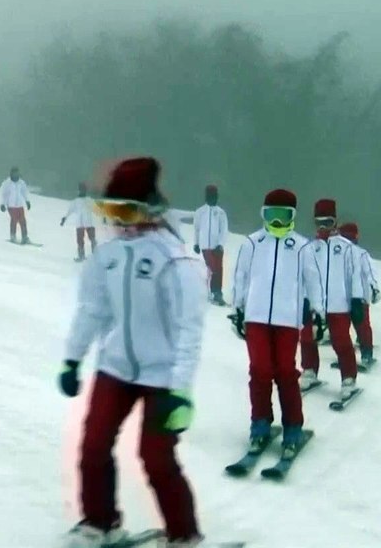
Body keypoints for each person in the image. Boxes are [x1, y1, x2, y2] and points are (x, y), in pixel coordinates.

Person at [59, 156, 207, 548]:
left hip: (162, 376)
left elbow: (188, 330)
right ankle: (100, 522)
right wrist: (73, 358)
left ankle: (184, 535)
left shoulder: (176, 260)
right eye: (110, 212)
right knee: (93, 445)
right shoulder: (106, 256)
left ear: (149, 210)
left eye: (125, 211)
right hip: (116, 367)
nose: (118, 223)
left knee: (156, 458)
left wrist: (182, 391)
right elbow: (92, 309)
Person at [231, 188, 322, 461]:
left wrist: (317, 311)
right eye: (272, 215)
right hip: (256, 317)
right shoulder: (253, 243)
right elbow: (240, 277)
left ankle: (293, 427)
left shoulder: (302, 247)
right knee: (259, 370)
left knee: (284, 371)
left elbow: (313, 281)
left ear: (292, 216)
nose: (277, 221)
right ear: (264, 214)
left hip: (287, 319)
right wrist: (238, 308)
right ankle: (260, 423)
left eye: (283, 215)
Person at [303, 199, 364, 400]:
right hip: (316, 304)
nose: (323, 228)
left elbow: (354, 275)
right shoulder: (310, 249)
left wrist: (356, 300)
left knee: (341, 341)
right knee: (307, 337)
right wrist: (304, 300)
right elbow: (304, 277)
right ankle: (309, 370)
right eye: (319, 223)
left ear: (335, 222)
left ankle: (348, 378)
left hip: (339, 304)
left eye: (327, 223)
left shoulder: (346, 248)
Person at [339, 222, 378, 367]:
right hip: (342, 297)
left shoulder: (361, 254)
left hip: (360, 297)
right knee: (343, 328)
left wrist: (374, 288)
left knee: (362, 326)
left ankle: (366, 354)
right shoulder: (338, 254)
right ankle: (346, 355)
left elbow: (371, 272)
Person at [193, 185, 230, 306]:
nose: (212, 198)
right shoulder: (200, 212)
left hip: (217, 247)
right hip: (205, 246)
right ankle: (209, 292)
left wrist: (220, 244)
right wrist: (196, 243)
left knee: (218, 269)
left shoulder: (220, 213)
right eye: (210, 195)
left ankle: (217, 293)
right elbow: (197, 229)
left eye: (214, 195)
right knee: (211, 269)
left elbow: (224, 230)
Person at [60, 181, 97, 261]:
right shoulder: (75, 202)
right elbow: (69, 211)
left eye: (83, 190)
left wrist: (103, 217)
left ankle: (96, 255)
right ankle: (81, 255)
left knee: (92, 239)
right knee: (80, 239)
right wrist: (64, 218)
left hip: (89, 222)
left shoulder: (89, 200)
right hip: (79, 223)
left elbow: (97, 210)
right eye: (81, 190)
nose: (82, 191)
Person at [0, 167, 32, 244]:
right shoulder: (7, 183)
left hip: (19, 205)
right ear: (11, 173)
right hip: (11, 205)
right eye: (14, 173)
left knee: (23, 221)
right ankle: (13, 236)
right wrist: (2, 204)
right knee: (14, 220)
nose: (16, 175)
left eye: (17, 173)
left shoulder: (21, 183)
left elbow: (24, 192)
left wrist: (27, 201)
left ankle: (25, 237)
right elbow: (4, 194)